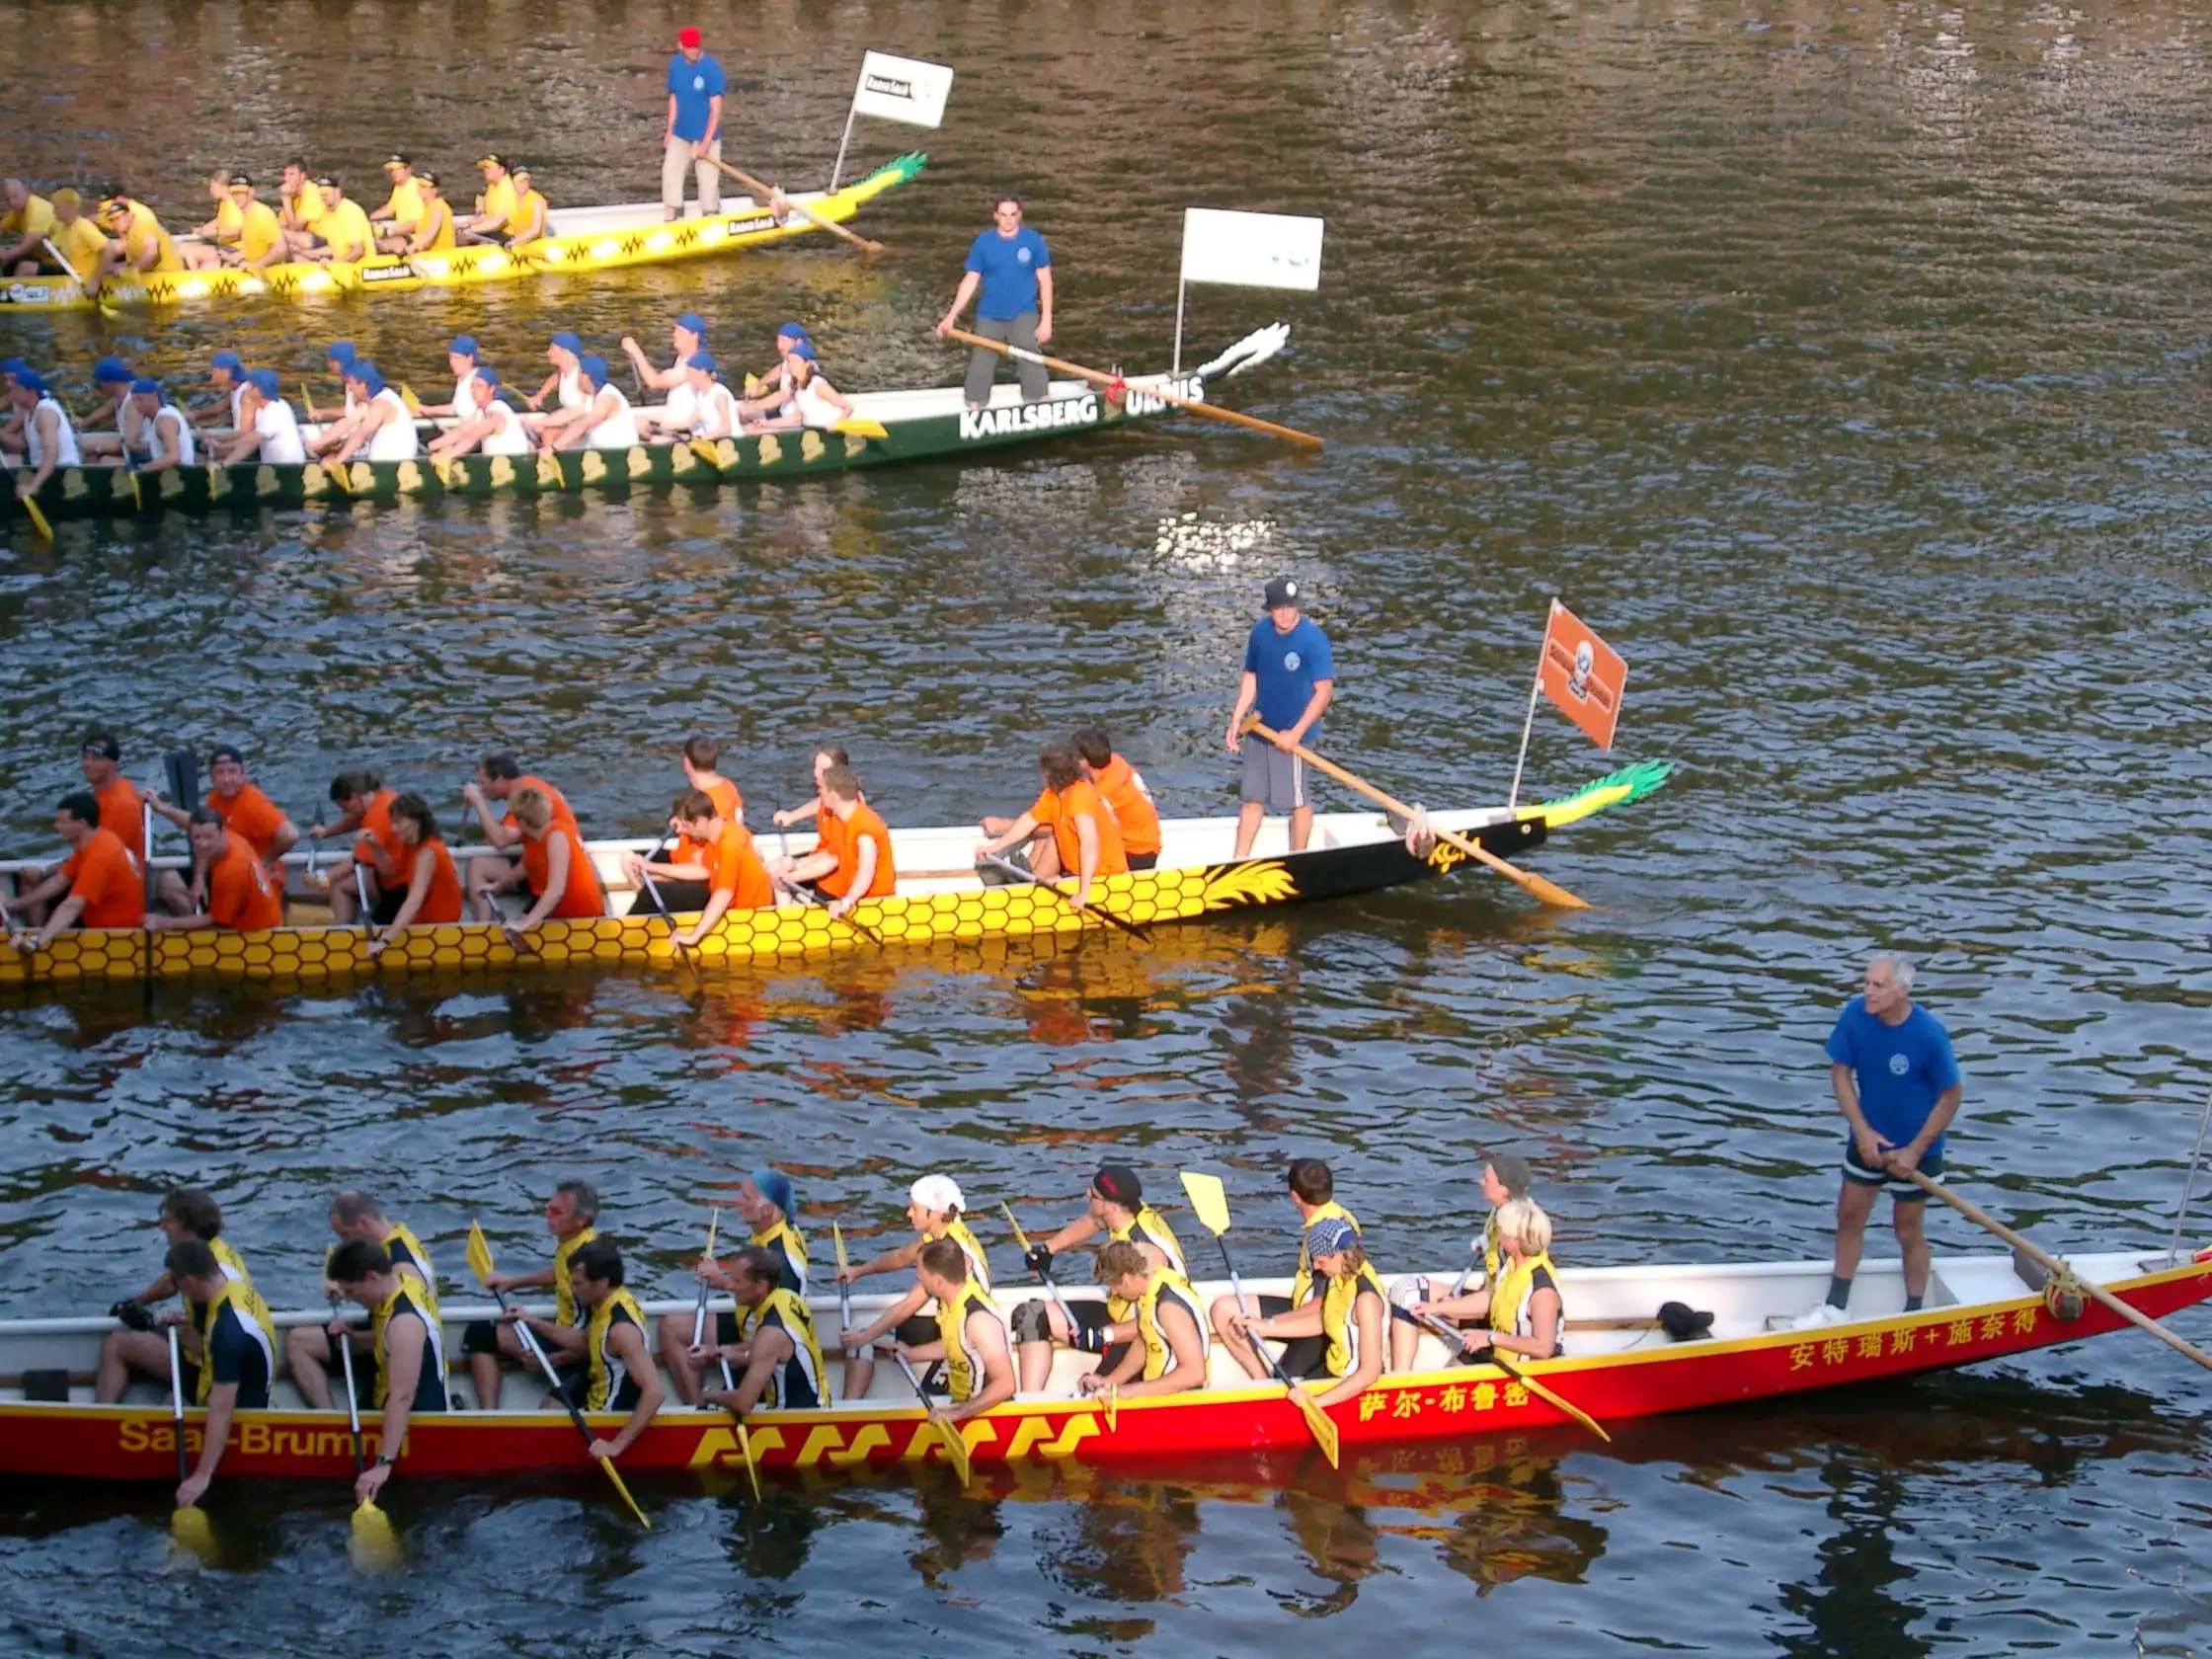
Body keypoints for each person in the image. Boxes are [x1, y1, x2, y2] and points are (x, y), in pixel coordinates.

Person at [1799, 954, 1963, 1326]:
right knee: (1849, 1216)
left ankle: (1914, 1310)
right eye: (1867, 983)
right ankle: (1836, 1306)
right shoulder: (1856, 1016)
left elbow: (1951, 1096)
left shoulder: (1928, 1034)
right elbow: (1840, 1074)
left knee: (1907, 1230)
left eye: (1878, 986)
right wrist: (1862, 1131)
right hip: (1867, 1143)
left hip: (1915, 1151)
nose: (1868, 993)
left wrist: (1915, 1151)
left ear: (1902, 990)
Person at [1011, 1164, 1187, 1392]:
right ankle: (1031, 1402)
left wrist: (1104, 1336)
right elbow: (1093, 1221)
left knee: (1094, 1392)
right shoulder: (1126, 1213)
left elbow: (1158, 1320)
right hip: (1116, 1319)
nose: (1087, 1194)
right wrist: (1048, 1250)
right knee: (1030, 1315)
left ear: (1109, 1205)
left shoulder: (1147, 1254)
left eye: (1093, 1194)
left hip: (1139, 1337)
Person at [833, 1174, 991, 1400]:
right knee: (861, 1327)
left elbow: (908, 1306)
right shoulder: (938, 1234)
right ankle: (848, 1409)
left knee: (863, 1334)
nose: (908, 1213)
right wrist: (857, 1272)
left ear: (933, 1212)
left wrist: (863, 1339)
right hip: (947, 1326)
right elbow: (900, 1257)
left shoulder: (950, 1252)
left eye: (914, 1208)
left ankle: (849, 1415)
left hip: (964, 1342)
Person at [660, 1168, 808, 1405]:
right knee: (671, 1326)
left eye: (746, 1198)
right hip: (749, 1319)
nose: (737, 1202)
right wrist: (724, 1282)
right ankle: (697, 1404)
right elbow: (760, 1288)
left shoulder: (783, 1258)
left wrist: (726, 1351)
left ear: (768, 1209)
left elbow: (778, 1328)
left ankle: (702, 1407)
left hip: (765, 1339)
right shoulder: (771, 1228)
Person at [93, 1189, 252, 1403]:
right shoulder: (210, 1252)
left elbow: (218, 1333)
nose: (162, 1227)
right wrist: (136, 1304)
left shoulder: (208, 1269)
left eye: (168, 1221)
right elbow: (169, 1283)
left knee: (117, 1343)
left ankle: (103, 1417)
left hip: (212, 1366)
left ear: (189, 1226)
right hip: (211, 1351)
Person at [287, 1189, 441, 1409]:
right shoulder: (400, 1236)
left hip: (399, 1358)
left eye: (345, 1235)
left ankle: (327, 1417)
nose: (343, 1242)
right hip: (384, 1335)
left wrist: (356, 1340)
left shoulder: (400, 1264)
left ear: (363, 1223)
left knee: (298, 1342)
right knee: (301, 1336)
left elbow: (409, 1332)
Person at [1205, 1158, 1357, 1379]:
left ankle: (1272, 1387)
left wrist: (1268, 1325)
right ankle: (1261, 1381)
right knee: (1224, 1310)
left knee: (1282, 1382)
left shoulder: (1325, 1234)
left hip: (1324, 1326)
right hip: (1306, 1308)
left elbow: (1324, 1308)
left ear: (1295, 1196)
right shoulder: (1338, 1215)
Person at [328, 1236, 448, 1508]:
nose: (349, 1298)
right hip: (392, 1389)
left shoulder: (404, 1323)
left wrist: (383, 1464)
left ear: (371, 1278)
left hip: (419, 1421)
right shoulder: (403, 1279)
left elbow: (402, 1397)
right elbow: (387, 1341)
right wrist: (354, 1338)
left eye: (350, 1291)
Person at [1218, 1216, 1386, 1408]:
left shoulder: (1366, 1300)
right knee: (1284, 1391)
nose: (1316, 1267)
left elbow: (1370, 1372)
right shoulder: (1339, 1281)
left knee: (1286, 1401)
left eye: (1320, 1262)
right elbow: (1322, 1321)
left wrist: (1316, 1402)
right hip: (1333, 1369)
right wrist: (1264, 1326)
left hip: (1355, 1384)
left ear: (1338, 1256)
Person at [1387, 1150, 1532, 1372]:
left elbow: (1502, 1299)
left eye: (1487, 1179)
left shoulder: (1515, 1231)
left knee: (1410, 1296)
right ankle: (1400, 1377)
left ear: (1503, 1189)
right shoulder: (1500, 1212)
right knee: (1404, 1290)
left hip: (1503, 1322)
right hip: (1491, 1304)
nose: (1480, 1182)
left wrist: (1441, 1307)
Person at [463, 1178, 599, 1408]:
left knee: (549, 1411)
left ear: (580, 1220)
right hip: (561, 1335)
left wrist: (551, 1360)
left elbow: (595, 1341)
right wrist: (510, 1283)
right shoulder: (570, 1243)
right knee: (479, 1334)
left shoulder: (590, 1266)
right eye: (548, 1207)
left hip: (586, 1359)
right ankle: (488, 1418)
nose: (547, 1215)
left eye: (556, 1212)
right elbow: (557, 1273)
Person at [1225, 576, 1334, 857]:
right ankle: (1239, 858)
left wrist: (1295, 734)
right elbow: (1251, 675)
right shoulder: (1260, 633)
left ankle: (1298, 857)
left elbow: (1322, 693)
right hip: (1260, 729)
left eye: (1291, 607)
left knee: (1297, 801)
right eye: (1279, 608)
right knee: (1252, 798)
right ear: (1269, 609)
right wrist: (1237, 717)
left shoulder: (1313, 640)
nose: (1286, 614)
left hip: (1294, 735)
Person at [166, 1237, 276, 1508]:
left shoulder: (228, 1331)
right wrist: (186, 1329)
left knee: (167, 1403)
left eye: (178, 1286)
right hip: (239, 1373)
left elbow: (222, 1410)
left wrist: (202, 1476)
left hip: (242, 1408)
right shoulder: (233, 1289)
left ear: (189, 1281)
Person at [1405, 1198, 1564, 1365]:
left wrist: (1490, 1338)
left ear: (1514, 1240)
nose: (1498, 1236)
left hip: (1531, 1369)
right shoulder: (1510, 1268)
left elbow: (1543, 1348)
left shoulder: (1542, 1291)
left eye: (1501, 1230)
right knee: (1453, 1367)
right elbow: (1490, 1298)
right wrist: (1436, 1308)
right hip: (1501, 1354)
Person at [975, 742, 1128, 908]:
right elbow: (1027, 822)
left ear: (1049, 775)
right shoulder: (1053, 794)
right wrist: (995, 847)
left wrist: (1083, 894)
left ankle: (1019, 897)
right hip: (1076, 872)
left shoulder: (1079, 797)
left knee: (1041, 890)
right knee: (1048, 861)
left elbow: (1090, 845)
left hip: (1105, 876)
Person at [936, 197, 1054, 408]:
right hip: (989, 313)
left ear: (1020, 215)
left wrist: (1046, 320)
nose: (1008, 220)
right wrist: (951, 316)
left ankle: (1039, 399)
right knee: (982, 359)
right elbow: (970, 280)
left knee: (1029, 353)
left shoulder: (1033, 240)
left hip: (1023, 311)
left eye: (1013, 215)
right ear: (995, 216)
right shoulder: (984, 243)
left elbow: (1045, 281)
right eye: (1003, 215)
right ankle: (975, 404)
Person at [883, 1237, 1016, 1423]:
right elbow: (955, 1344)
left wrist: (956, 1414)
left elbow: (1006, 1385)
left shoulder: (979, 1321)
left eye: (922, 1273)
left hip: (984, 1415)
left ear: (938, 1282)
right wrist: (911, 1354)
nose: (918, 1277)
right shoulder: (953, 1303)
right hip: (962, 1403)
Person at [558, 1240, 666, 1467]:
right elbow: (585, 1340)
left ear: (602, 1283)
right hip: (596, 1391)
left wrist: (615, 1445)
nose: (571, 1288)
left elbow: (655, 1393)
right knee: (552, 1399)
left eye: (577, 1283)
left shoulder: (621, 1331)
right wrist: (532, 1322)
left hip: (608, 1415)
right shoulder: (609, 1301)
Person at [148, 745, 297, 908]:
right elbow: (197, 825)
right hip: (224, 872)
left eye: (232, 772)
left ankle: (207, 922)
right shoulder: (215, 799)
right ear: (211, 777)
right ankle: (200, 922)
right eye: (220, 773)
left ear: (243, 774)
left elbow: (289, 835)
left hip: (254, 881)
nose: (227, 779)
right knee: (167, 882)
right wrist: (162, 808)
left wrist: (263, 863)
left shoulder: (253, 803)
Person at [622, 787, 770, 945]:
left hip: (748, 917)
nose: (683, 832)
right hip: (726, 902)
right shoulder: (717, 834)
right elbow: (702, 870)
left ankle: (626, 939)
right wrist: (651, 867)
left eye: (686, 826)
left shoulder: (729, 844)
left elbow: (723, 895)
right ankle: (635, 932)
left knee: (652, 893)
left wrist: (694, 936)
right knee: (657, 891)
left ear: (698, 822)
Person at [0, 791, 144, 949]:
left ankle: (34, 942)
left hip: (116, 936)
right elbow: (60, 880)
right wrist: (11, 905)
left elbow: (72, 906)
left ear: (81, 824)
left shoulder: (100, 856)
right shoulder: (97, 839)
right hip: (96, 912)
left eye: (62, 822)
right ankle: (34, 931)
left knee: (55, 905)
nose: (56, 826)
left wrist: (36, 942)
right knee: (30, 879)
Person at [698, 1244, 829, 1414]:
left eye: (737, 1281)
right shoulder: (786, 1298)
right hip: (820, 1402)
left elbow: (743, 1404)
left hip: (794, 1418)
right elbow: (768, 1348)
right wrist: (721, 1351)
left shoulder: (771, 1333)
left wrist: (707, 1396)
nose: (730, 1286)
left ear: (761, 1285)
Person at [1077, 1241, 1210, 1400]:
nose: (1114, 1292)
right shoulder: (1151, 1293)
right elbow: (1144, 1342)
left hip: (1180, 1402)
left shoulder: (1168, 1308)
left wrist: (1129, 1391)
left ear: (1126, 1279)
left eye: (1113, 1285)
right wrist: (1109, 1382)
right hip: (1159, 1396)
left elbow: (1194, 1374)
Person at [768, 762, 893, 919]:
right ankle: (786, 922)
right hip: (851, 896)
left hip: (874, 905)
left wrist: (846, 902)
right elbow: (830, 858)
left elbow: (865, 874)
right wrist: (791, 876)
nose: (819, 794)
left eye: (821, 790)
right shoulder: (841, 820)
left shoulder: (864, 830)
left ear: (833, 795)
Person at [461, 752, 582, 913]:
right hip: (542, 858)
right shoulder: (527, 785)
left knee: (478, 865)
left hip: (556, 869)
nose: (481, 789)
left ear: (500, 780)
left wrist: (478, 801)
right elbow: (497, 840)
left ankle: (483, 929)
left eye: (483, 783)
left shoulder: (523, 797)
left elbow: (499, 841)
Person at [143, 809, 282, 933]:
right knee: (167, 881)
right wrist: (199, 878)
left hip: (255, 930)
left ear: (221, 832)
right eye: (197, 837)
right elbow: (200, 842)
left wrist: (164, 923)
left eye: (208, 837)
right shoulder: (230, 837)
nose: (202, 843)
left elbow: (213, 920)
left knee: (203, 925)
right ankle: (192, 914)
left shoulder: (231, 872)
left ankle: (192, 925)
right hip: (240, 899)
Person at [363, 793, 465, 959]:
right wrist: (374, 846)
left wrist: (385, 940)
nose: (393, 829)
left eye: (398, 822)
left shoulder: (427, 852)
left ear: (415, 823)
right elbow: (388, 871)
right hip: (425, 920)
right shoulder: (412, 845)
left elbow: (414, 901)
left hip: (438, 931)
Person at [503, 784, 606, 940]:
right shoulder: (536, 839)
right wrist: (496, 886)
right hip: (560, 916)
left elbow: (556, 889)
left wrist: (525, 924)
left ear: (522, 822)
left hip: (584, 922)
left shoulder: (556, 836)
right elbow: (522, 868)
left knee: (523, 924)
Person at [311, 767, 405, 926]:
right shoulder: (383, 797)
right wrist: (326, 832)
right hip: (394, 866)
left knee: (340, 886)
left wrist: (323, 879)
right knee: (343, 878)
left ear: (354, 797)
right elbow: (355, 818)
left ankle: (341, 935)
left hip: (399, 880)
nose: (344, 813)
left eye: (345, 809)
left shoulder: (376, 815)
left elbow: (356, 860)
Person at [1071, 728, 1161, 871]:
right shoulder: (1116, 762)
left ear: (1085, 762)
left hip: (1135, 854)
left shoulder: (1104, 789)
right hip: (1148, 845)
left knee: (1060, 838)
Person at [662, 26, 726, 221]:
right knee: (670, 172)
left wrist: (705, 143)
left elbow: (716, 111)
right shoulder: (675, 65)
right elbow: (674, 96)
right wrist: (670, 128)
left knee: (707, 181)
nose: (692, 51)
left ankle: (710, 215)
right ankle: (671, 217)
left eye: (695, 47)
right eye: (688, 48)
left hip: (706, 135)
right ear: (680, 46)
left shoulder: (712, 70)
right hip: (681, 133)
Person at [539, 356, 638, 453]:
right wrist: (534, 423)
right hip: (595, 448)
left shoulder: (608, 399)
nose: (575, 379)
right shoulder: (592, 395)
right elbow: (569, 414)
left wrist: (554, 447)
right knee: (550, 432)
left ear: (586, 377)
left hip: (618, 455)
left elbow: (583, 424)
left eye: (578, 374)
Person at [427, 369, 530, 460]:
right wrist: (432, 446)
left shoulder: (495, 413)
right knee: (446, 446)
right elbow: (461, 431)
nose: (474, 391)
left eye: (479, 386)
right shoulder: (480, 412)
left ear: (491, 389)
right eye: (472, 386)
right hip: (496, 465)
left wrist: (446, 456)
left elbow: (473, 436)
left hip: (514, 465)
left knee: (451, 451)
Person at [9, 369, 80, 503]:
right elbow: (23, 444)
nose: (12, 394)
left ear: (30, 392)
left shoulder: (46, 414)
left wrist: (33, 486)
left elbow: (51, 454)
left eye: (16, 389)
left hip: (62, 472)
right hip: (43, 469)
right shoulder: (27, 409)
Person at [329, 361, 419, 465]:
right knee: (332, 452)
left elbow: (360, 436)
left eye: (351, 383)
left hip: (389, 466)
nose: (349, 388)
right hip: (387, 461)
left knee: (330, 458)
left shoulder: (379, 405)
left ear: (363, 384)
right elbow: (349, 424)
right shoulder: (380, 397)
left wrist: (337, 462)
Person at [639, 352, 736, 441]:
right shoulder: (701, 395)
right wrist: (659, 426)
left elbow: (726, 426)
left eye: (690, 373)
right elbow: (690, 421)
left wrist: (706, 438)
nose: (688, 377)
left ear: (702, 372)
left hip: (732, 442)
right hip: (712, 441)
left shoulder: (719, 395)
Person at [219, 370, 307, 465]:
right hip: (276, 467)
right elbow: (247, 435)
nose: (246, 387)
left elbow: (250, 442)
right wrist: (222, 445)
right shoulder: (277, 404)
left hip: (286, 470)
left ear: (258, 391)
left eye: (250, 385)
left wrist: (224, 461)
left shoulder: (273, 412)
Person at [93, 195, 182, 278]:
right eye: (112, 220)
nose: (116, 223)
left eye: (119, 218)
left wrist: (129, 271)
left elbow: (152, 252)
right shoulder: (126, 231)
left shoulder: (144, 224)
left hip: (168, 275)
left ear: (129, 215)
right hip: (147, 274)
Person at [768, 745, 847, 835]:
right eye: (816, 767)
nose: (816, 773)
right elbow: (820, 803)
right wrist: (791, 816)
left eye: (823, 769)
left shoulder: (848, 806)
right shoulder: (829, 797)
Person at [620, 312, 709, 393]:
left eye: (681, 332)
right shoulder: (681, 360)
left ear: (694, 336)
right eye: (675, 330)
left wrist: (635, 351)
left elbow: (654, 382)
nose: (675, 334)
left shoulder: (696, 365)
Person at [121, 378, 194, 473]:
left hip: (179, 476)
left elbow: (173, 457)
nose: (136, 404)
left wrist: (142, 469)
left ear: (154, 397)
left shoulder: (164, 420)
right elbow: (158, 443)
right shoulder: (163, 413)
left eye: (140, 399)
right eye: (133, 400)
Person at [220, 175, 289, 273]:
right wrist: (237, 258)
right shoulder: (246, 215)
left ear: (252, 192)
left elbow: (280, 248)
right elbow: (258, 246)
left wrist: (257, 265)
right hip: (253, 271)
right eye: (233, 194)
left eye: (241, 193)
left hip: (269, 275)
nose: (236, 197)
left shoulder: (262, 214)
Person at [302, 177, 373, 265]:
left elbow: (358, 250)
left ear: (337, 192)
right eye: (321, 195)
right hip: (333, 259)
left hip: (358, 267)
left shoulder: (350, 211)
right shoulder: (324, 212)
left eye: (326, 194)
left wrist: (335, 264)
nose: (324, 198)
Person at [520, 332, 585, 429]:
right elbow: (556, 377)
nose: (548, 353)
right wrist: (539, 396)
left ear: (565, 352)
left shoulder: (582, 378)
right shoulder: (564, 373)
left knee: (547, 430)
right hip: (569, 422)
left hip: (581, 427)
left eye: (552, 349)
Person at [42, 189, 108, 279]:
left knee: (27, 267)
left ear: (69, 207)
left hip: (82, 277)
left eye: (56, 207)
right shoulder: (59, 226)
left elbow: (108, 249)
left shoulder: (83, 226)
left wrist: (95, 280)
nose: (53, 211)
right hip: (65, 271)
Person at [393, 169, 456, 256]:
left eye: (424, 186)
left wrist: (412, 247)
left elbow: (431, 233)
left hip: (441, 257)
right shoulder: (426, 207)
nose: (420, 189)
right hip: (427, 253)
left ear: (435, 190)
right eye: (419, 185)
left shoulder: (438, 208)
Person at [419, 337, 484, 418]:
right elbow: (455, 408)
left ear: (470, 358)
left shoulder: (478, 380)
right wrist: (427, 410)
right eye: (451, 357)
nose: (452, 362)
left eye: (457, 358)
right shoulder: (462, 379)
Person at [0, 178, 54, 275]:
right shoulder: (17, 212)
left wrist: (5, 255)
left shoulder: (38, 210)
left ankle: (13, 289)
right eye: (8, 200)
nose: (12, 203)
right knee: (8, 262)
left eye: (15, 197)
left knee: (24, 267)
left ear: (26, 192)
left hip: (61, 261)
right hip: (41, 256)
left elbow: (26, 246)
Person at [367, 153, 424, 243]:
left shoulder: (415, 189)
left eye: (397, 169)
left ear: (408, 169)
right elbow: (390, 209)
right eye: (392, 170)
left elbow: (414, 224)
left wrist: (388, 232)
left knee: (381, 244)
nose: (393, 173)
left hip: (417, 236)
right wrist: (367, 218)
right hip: (405, 232)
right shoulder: (398, 186)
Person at [463, 154, 519, 241]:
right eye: (484, 168)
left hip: (511, 236)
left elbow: (499, 222)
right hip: (497, 231)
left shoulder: (507, 188)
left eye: (489, 168)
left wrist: (471, 229)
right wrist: (469, 223)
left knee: (466, 236)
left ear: (501, 169)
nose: (485, 171)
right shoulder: (492, 185)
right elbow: (490, 217)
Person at [276, 159, 326, 256]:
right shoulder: (293, 194)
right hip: (303, 238)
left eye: (291, 174)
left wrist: (286, 199)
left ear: (302, 176)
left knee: (275, 233)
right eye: (285, 174)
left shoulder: (312, 192)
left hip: (320, 240)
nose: (286, 179)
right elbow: (282, 225)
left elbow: (295, 228)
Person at [505, 163, 549, 244]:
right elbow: (498, 220)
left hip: (536, 243)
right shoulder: (509, 199)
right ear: (512, 182)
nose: (523, 184)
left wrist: (515, 241)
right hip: (517, 243)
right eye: (519, 181)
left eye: (526, 180)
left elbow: (535, 230)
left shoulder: (537, 200)